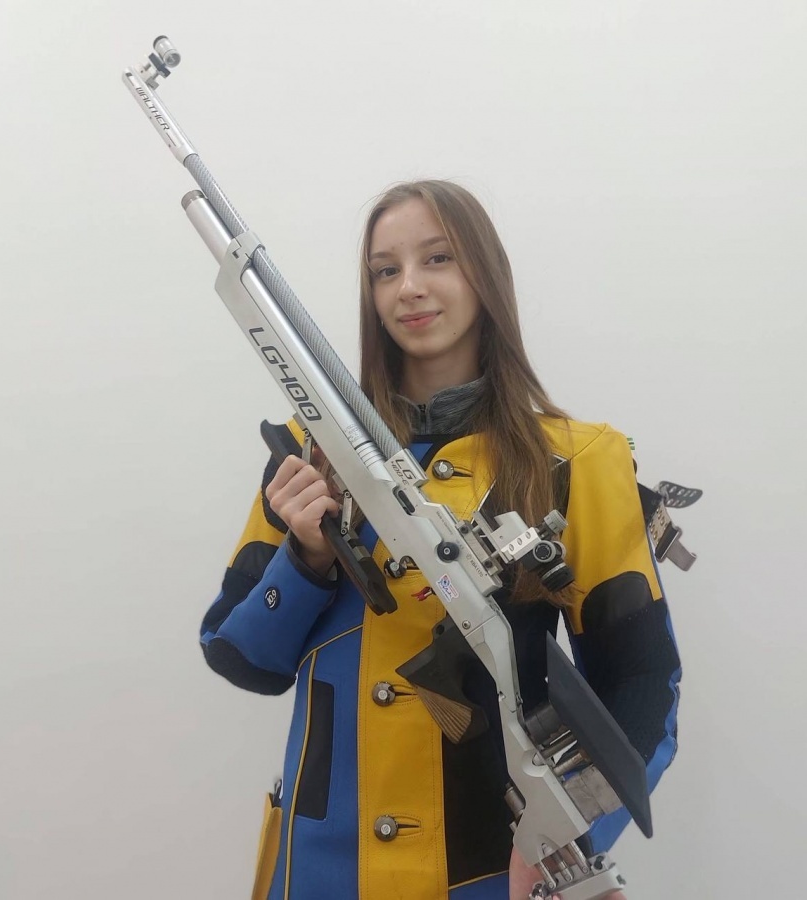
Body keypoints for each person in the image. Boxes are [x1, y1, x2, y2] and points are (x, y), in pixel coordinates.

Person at [200, 180, 681, 900]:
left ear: (485, 274)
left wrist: (565, 836)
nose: (409, 288)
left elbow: (643, 682)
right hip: (319, 871)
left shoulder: (577, 461)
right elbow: (242, 658)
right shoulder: (309, 451)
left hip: (493, 875)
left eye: (438, 258)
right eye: (384, 270)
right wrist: (306, 559)